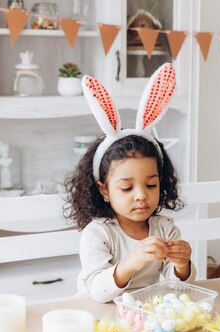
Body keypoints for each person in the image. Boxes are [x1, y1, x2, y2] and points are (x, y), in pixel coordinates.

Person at [65, 63, 195, 303]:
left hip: (142, 319)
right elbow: (96, 290)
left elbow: (175, 287)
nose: (141, 195)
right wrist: (131, 262)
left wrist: (182, 265)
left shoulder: (164, 228)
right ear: (104, 189)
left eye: (151, 185)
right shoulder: (99, 233)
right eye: (126, 187)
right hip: (100, 319)